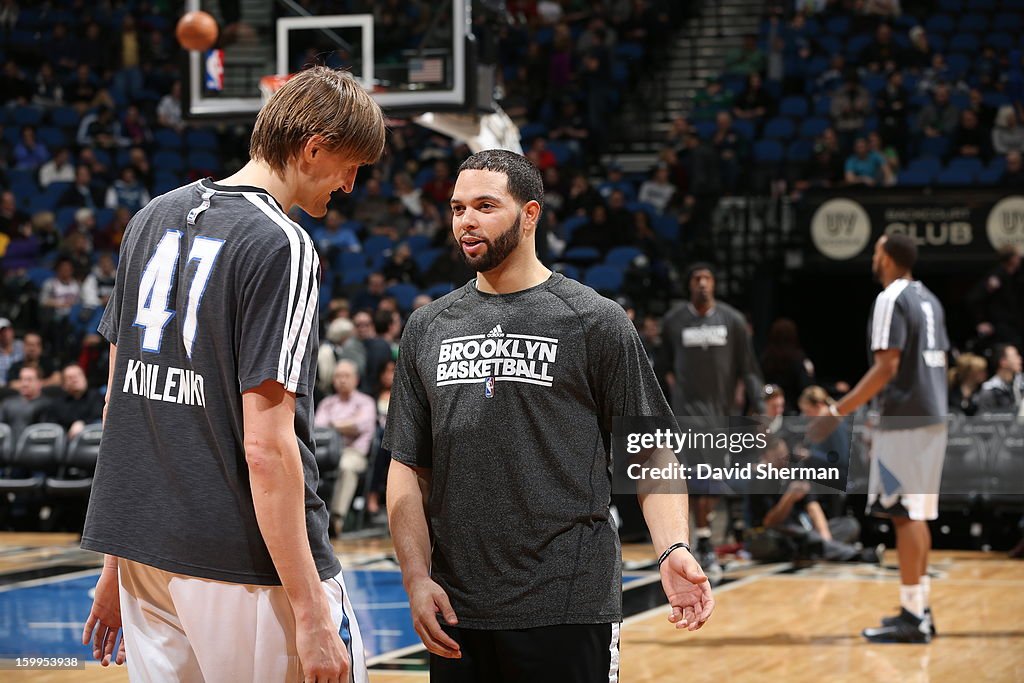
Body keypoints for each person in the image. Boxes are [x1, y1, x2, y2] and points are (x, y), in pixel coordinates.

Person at [80, 66, 386, 682]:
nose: (352, 185)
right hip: (246, 563)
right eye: (351, 165)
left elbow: (125, 410)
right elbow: (267, 447)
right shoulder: (284, 244)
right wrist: (310, 612)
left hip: (148, 563)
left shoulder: (149, 218)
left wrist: (117, 562)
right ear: (314, 147)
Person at [385, 150, 713, 682]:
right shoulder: (428, 327)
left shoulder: (594, 320)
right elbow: (407, 467)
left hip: (567, 601)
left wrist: (672, 547)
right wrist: (415, 578)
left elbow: (651, 450)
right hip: (457, 609)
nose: (466, 221)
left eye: (485, 206)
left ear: (530, 213)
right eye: (457, 208)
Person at [824, 234, 949, 643]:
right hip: (932, 419)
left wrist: (837, 411)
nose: (873, 259)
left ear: (888, 258)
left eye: (876, 252)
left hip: (906, 423)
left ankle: (913, 618)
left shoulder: (890, 298)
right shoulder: (929, 298)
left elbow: (886, 367)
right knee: (916, 515)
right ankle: (920, 607)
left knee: (903, 514)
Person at [660, 262, 765, 572]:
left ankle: (704, 537)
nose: (702, 284)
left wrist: (757, 404)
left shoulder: (732, 321)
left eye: (707, 278)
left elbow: (748, 368)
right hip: (685, 414)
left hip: (720, 415)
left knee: (712, 480)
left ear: (715, 284)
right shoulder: (674, 321)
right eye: (696, 279)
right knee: (692, 479)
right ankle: (700, 540)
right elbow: (660, 366)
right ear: (689, 285)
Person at [313, 360, 378, 533]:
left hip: (354, 453)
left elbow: (361, 425)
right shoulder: (327, 403)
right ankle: (311, 518)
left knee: (346, 466)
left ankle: (336, 519)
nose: (342, 380)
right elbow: (318, 428)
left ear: (356, 379)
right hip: (327, 453)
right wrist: (346, 425)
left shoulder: (366, 402)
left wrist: (335, 425)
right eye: (338, 376)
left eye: (346, 376)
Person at [974, 344, 1023, 414]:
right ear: (1003, 362)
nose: (1020, 359)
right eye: (1016, 356)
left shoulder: (1020, 384)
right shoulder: (989, 390)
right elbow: (985, 420)